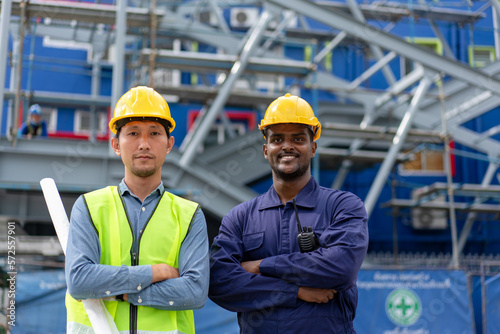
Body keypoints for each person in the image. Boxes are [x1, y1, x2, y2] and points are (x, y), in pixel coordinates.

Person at [209, 93, 369, 333]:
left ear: (312, 147)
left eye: (297, 138)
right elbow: (220, 281)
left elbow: (341, 269)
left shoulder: (343, 206)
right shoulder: (240, 218)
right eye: (277, 139)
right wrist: (295, 291)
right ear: (266, 149)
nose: (287, 146)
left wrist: (260, 265)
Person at [65, 86, 209, 334]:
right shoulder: (89, 206)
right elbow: (79, 281)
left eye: (154, 133)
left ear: (169, 144)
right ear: (116, 144)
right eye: (133, 133)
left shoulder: (189, 215)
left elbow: (194, 292)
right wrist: (155, 273)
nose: (144, 144)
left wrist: (121, 293)